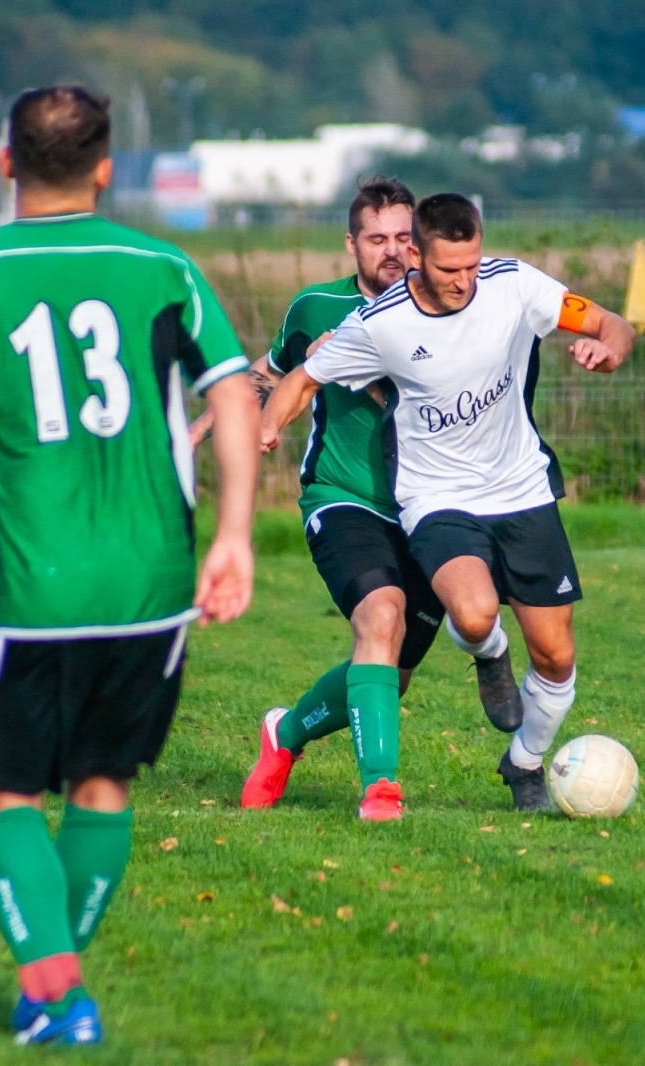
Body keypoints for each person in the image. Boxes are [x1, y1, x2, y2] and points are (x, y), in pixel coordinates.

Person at [0, 86, 258, 1045]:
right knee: (102, 785)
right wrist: (235, 535)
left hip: (27, 589)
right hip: (151, 583)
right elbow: (234, 391)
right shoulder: (165, 267)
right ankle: (51, 990)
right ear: (105, 169)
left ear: (5, 163)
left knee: (7, 794)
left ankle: (57, 994)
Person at [260, 192, 635, 810]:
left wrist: (611, 347)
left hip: (522, 488)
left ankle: (524, 763)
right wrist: (271, 425)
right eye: (448, 269)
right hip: (436, 497)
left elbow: (608, 321)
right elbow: (303, 378)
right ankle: (488, 654)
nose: (464, 281)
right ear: (417, 255)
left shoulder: (515, 285)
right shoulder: (381, 324)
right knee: (475, 614)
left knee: (557, 655)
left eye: (471, 265)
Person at [213, 178, 520, 822]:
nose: (392, 250)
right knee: (381, 618)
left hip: (432, 509)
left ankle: (284, 733)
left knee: (389, 674)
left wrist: (356, 363)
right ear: (351, 244)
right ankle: (380, 790)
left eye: (404, 237)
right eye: (376, 239)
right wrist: (219, 420)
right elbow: (272, 371)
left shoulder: (457, 313)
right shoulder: (317, 308)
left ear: (423, 244)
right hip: (344, 497)